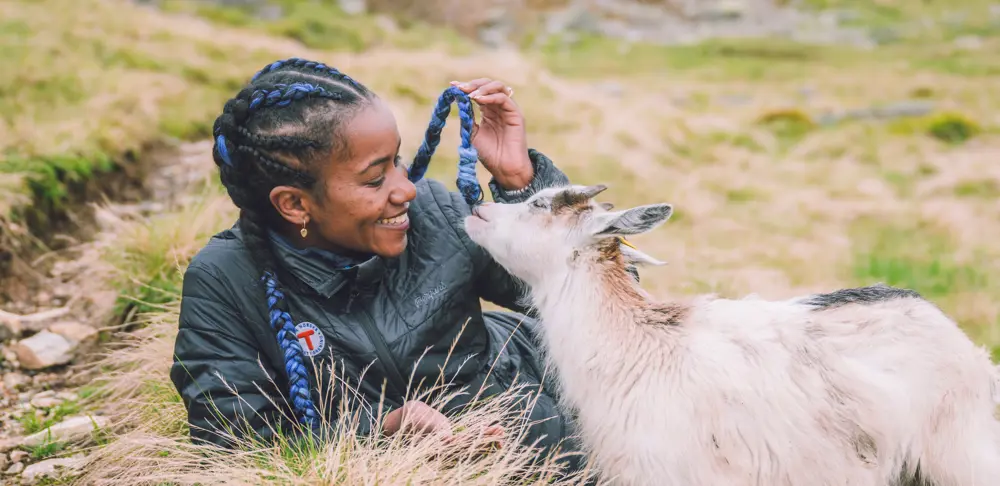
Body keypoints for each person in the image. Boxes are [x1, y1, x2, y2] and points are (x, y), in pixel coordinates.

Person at [168, 57, 635, 472]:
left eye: (397, 161)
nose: (406, 188)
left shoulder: (431, 211)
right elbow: (231, 448)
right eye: (375, 178)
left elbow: (613, 317)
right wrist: (381, 433)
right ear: (294, 204)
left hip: (558, 435)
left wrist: (520, 183)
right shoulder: (224, 281)